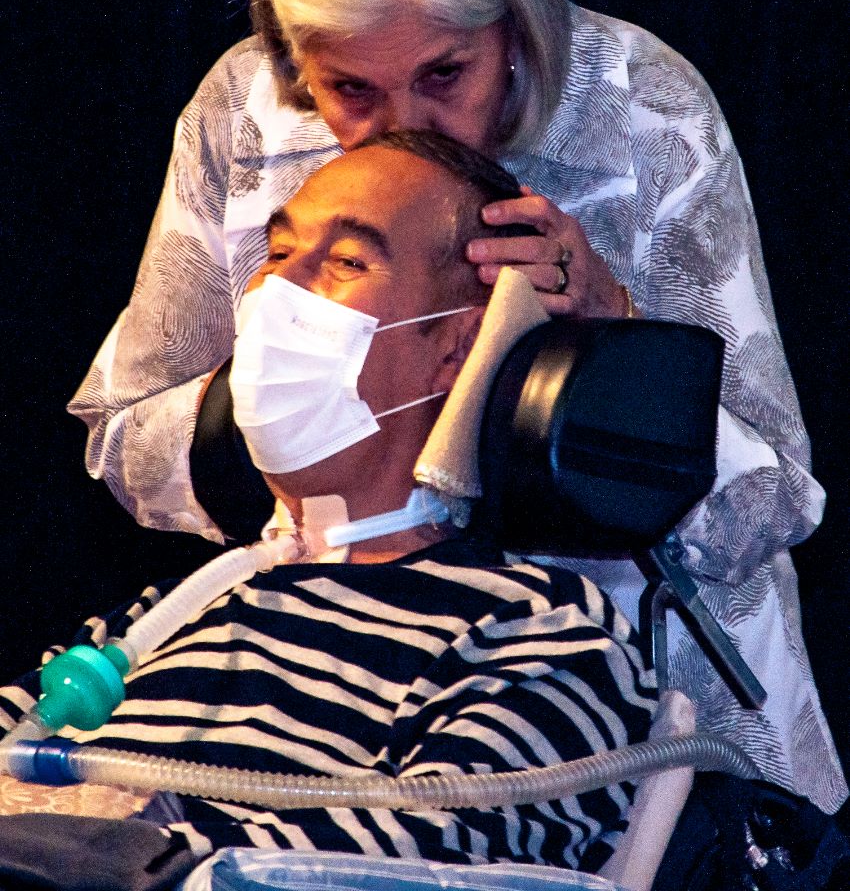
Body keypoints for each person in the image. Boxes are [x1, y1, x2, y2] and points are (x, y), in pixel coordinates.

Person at [68, 0, 844, 812]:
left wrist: (615, 334)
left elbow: (776, 503)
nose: (401, 129)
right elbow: (126, 431)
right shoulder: (245, 115)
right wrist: (289, 397)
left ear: (513, 25)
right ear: (297, 63)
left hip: (642, 725)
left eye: (445, 74)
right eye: (350, 89)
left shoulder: (641, 111)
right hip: (345, 699)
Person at [1, 134, 656, 876]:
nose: (276, 287)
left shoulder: (537, 633)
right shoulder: (166, 616)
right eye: (278, 253)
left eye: (347, 261)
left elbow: (434, 863)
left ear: (454, 349)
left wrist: (115, 845)